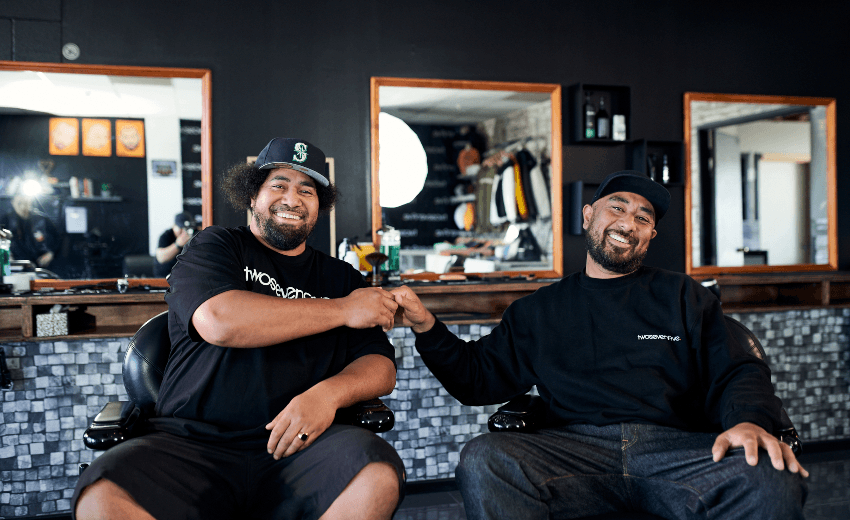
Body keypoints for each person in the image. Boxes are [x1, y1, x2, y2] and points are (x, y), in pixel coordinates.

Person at [391, 170, 808, 519]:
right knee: (485, 459)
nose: (629, 223)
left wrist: (750, 420)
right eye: (618, 208)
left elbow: (737, 367)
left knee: (770, 477)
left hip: (677, 450)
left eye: (643, 218)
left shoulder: (684, 296)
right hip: (574, 452)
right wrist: (427, 326)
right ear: (589, 215)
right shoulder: (540, 310)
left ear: (650, 235)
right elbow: (476, 380)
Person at [74, 138, 405, 520]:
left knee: (377, 475)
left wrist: (328, 395)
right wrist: (343, 310)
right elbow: (220, 321)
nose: (293, 199)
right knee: (102, 497)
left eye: (306, 190)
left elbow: (381, 367)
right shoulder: (214, 247)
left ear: (319, 205)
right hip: (189, 442)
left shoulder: (341, 277)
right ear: (252, 196)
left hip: (301, 447)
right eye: (278, 185)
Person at [0, 193, 58, 267]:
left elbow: (57, 238)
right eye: (19, 203)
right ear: (13, 203)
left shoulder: (42, 219)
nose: (23, 207)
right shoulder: (6, 220)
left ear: (30, 201)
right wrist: (6, 255)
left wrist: (51, 253)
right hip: (15, 265)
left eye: (26, 203)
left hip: (40, 264)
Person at [153, 211, 196, 277]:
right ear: (174, 226)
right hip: (165, 277)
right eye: (181, 228)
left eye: (186, 228)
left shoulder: (195, 234)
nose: (183, 232)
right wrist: (178, 244)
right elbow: (161, 258)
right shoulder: (166, 236)